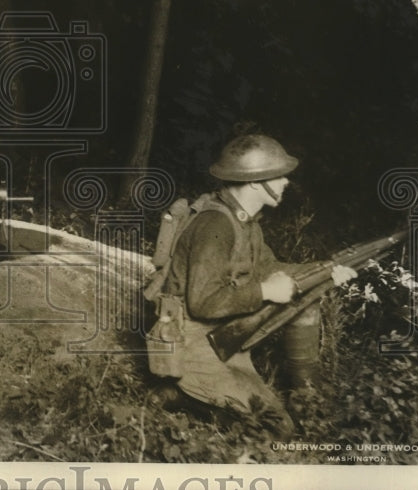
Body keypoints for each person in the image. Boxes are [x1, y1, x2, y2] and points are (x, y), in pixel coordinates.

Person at [147, 134, 356, 432]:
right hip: (190, 339)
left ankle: (310, 398)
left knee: (306, 296)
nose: (286, 183)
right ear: (256, 181)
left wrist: (325, 270)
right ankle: (179, 394)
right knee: (275, 428)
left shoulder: (244, 222)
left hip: (221, 336)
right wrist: (267, 290)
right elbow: (202, 301)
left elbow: (267, 267)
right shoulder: (215, 225)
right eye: (280, 176)